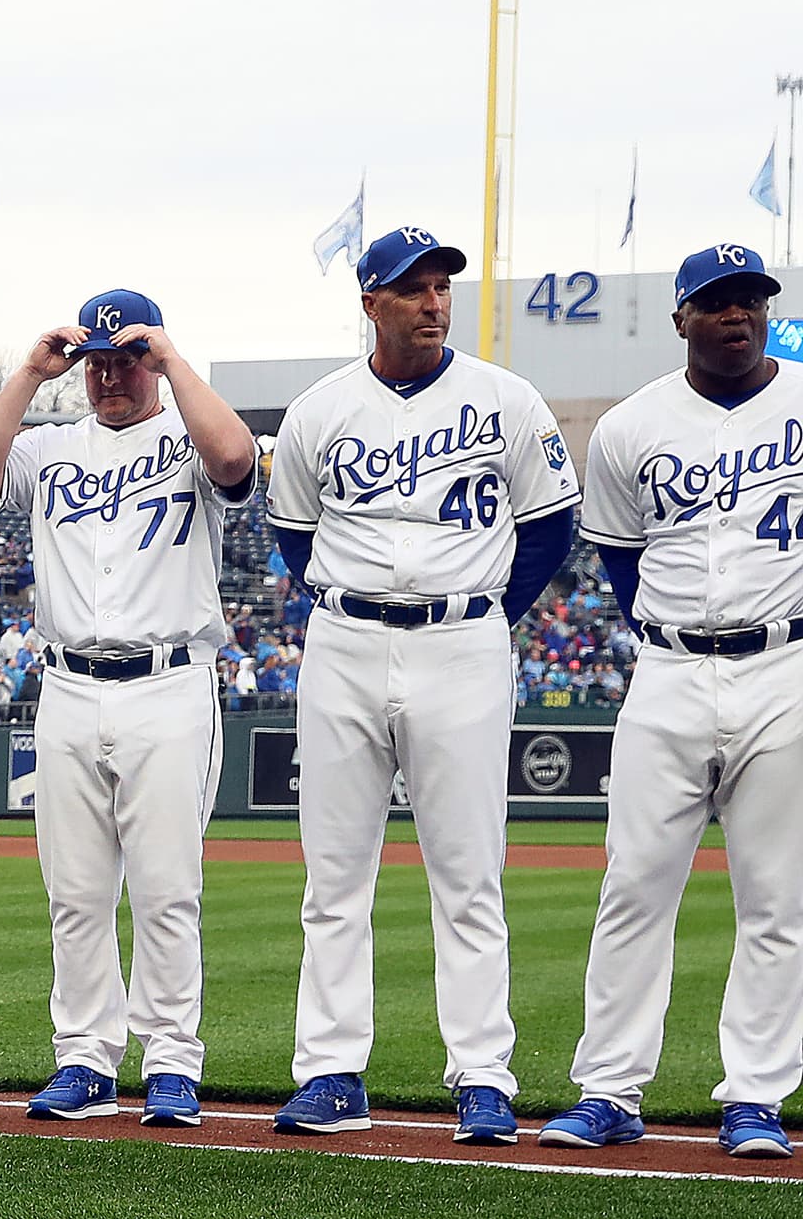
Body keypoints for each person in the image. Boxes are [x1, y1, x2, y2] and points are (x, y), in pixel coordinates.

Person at [261, 224, 578, 1141]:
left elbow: (550, 527)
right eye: (413, 288)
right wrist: (354, 602)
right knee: (334, 875)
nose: (434, 302)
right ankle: (331, 1073)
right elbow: (293, 536)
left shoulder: (506, 399)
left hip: (463, 642)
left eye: (442, 286)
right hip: (347, 641)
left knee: (468, 873)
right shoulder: (320, 408)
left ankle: (482, 1075)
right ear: (372, 302)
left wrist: (488, 614)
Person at [0, 291, 256, 1127]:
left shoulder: (189, 434)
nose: (109, 376)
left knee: (167, 889)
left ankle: (171, 1062)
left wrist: (171, 359)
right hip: (68, 685)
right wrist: (29, 372)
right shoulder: (49, 446)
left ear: (151, 360)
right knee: (76, 893)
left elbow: (236, 457)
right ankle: (85, 1059)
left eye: (125, 360)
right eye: (97, 363)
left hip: (170, 681)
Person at [543, 245, 799, 1159]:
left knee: (779, 897)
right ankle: (610, 1090)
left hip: (786, 663)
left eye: (751, 299)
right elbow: (621, 557)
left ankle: (756, 1096)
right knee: (635, 884)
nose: (738, 315)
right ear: (681, 317)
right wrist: (673, 635)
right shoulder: (630, 426)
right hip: (669, 667)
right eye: (718, 302)